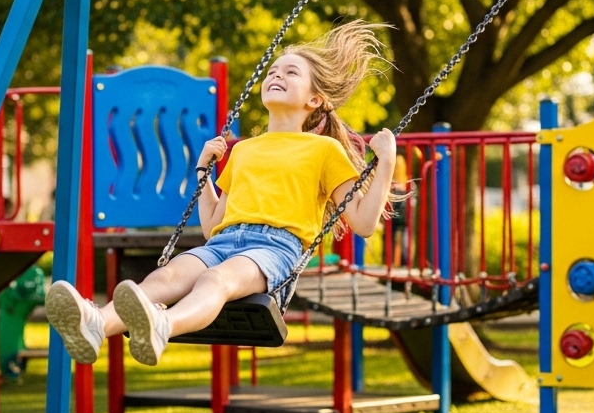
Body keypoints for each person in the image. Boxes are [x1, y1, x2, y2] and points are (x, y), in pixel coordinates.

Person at [44, 21, 397, 366]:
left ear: (315, 99)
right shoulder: (243, 150)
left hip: (275, 248)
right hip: (223, 242)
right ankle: (95, 326)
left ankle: (162, 325)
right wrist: (203, 173)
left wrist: (386, 162)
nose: (276, 76)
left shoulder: (324, 151)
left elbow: (363, 223)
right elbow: (214, 226)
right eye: (273, 71)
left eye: (291, 73)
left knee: (216, 279)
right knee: (165, 276)